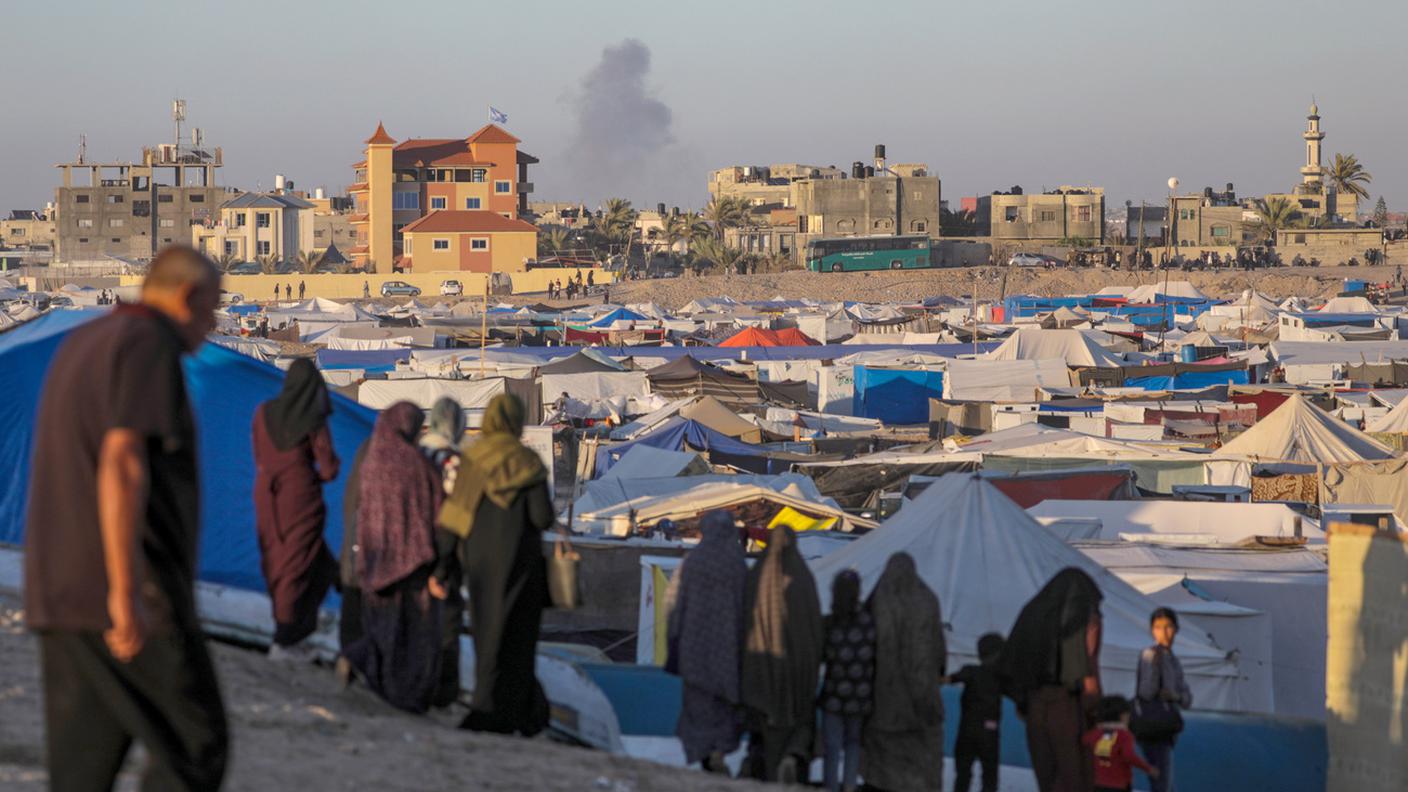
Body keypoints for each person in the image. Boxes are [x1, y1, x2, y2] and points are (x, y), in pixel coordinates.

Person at [25, 245, 228, 790]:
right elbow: (122, 462)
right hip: (130, 591)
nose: (211, 327)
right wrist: (125, 592)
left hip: (59, 591)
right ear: (186, 297)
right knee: (196, 743)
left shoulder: (86, 341)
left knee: (82, 768)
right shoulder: (148, 343)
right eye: (211, 310)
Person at [437, 393, 553, 735]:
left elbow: (454, 519)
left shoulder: (473, 460)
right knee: (520, 639)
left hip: (482, 566)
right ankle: (516, 713)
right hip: (523, 565)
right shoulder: (528, 461)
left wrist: (443, 568)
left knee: (488, 636)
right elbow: (542, 517)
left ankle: (485, 708)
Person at [337, 401, 447, 714]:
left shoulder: (369, 458)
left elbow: (353, 505)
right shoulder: (418, 462)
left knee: (379, 626)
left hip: (372, 559)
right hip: (411, 562)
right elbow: (439, 509)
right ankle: (404, 696)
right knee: (412, 632)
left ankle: (366, 669)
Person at [252, 358, 340, 661]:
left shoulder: (263, 413)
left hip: (266, 495)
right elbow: (329, 468)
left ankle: (295, 632)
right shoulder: (313, 419)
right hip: (300, 498)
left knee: (285, 559)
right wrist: (306, 475)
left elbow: (259, 454)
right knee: (298, 564)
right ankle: (286, 636)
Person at [998, 567, 1104, 792]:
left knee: (1047, 779)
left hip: (1035, 708)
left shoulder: (1034, 612)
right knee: (1074, 778)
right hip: (1070, 708)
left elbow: (1015, 664)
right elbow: (1088, 663)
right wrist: (1095, 708)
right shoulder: (1083, 613)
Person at [665, 510, 747, 773]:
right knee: (723, 708)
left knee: (698, 707)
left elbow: (676, 606)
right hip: (728, 653)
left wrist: (673, 643)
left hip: (694, 650)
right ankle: (719, 751)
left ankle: (703, 756)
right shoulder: (737, 564)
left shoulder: (693, 562)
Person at [740, 525, 823, 783]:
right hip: (797, 672)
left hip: (760, 669)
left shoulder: (756, 576)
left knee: (763, 731)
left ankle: (766, 771)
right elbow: (814, 627)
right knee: (799, 724)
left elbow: (744, 622)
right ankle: (792, 760)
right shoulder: (802, 578)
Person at [861, 552, 947, 792]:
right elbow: (934, 650)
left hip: (882, 701)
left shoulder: (878, 597)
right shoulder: (927, 599)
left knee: (881, 767)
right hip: (919, 701)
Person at [419, 397, 465, 707]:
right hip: (442, 556)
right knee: (445, 629)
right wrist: (443, 568)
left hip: (411, 552)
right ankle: (441, 693)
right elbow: (455, 518)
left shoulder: (414, 453)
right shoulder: (454, 461)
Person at [819, 569, 875, 792]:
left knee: (831, 747)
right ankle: (849, 785)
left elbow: (823, 655)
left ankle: (831, 786)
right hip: (860, 696)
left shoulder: (831, 622)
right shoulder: (868, 623)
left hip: (834, 695)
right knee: (853, 744)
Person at [1136, 607, 1191, 792]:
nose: (1164, 632)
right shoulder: (1150, 655)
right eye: (1158, 627)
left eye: (1168, 627)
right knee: (1162, 782)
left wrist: (1174, 695)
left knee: (1165, 780)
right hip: (1154, 726)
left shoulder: (1173, 660)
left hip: (1167, 728)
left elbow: (1186, 697)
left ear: (1175, 629)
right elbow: (1145, 691)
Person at [948, 633, 1007, 792]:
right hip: (990, 731)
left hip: (967, 730)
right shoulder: (1001, 677)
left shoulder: (971, 671)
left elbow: (951, 678)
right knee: (989, 776)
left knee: (963, 774)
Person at [1084, 696, 1157, 792]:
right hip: (1120, 784)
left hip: (1100, 783)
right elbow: (1129, 756)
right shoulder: (1124, 735)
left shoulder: (1095, 733)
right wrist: (1148, 768)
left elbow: (1085, 740)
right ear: (1123, 716)